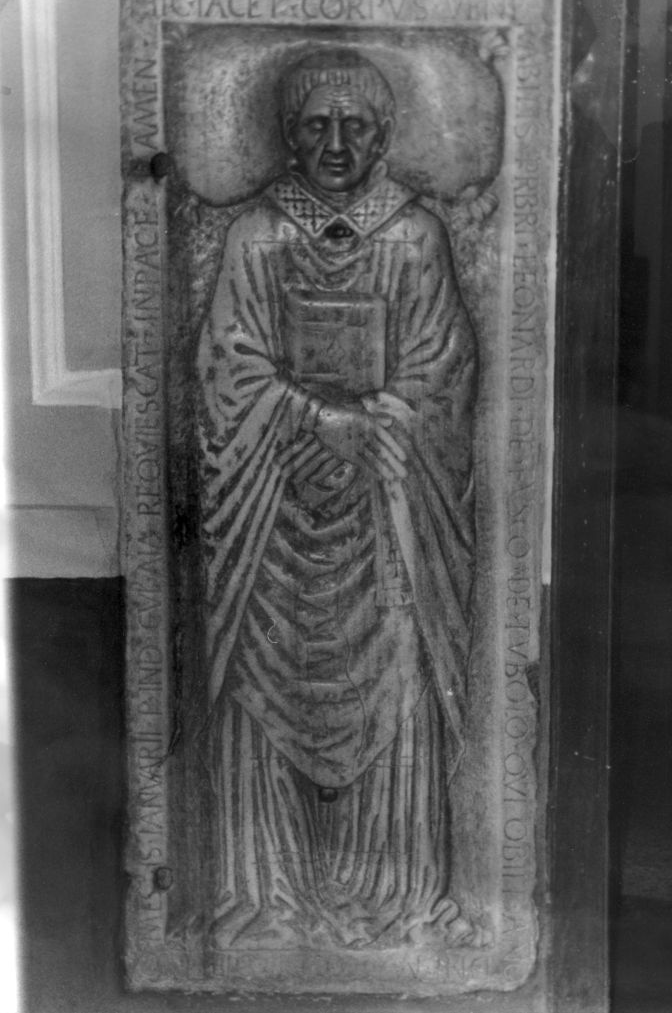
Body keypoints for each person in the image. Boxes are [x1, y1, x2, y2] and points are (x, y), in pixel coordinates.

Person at [195, 47, 478, 950]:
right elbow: (227, 368)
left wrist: (375, 431)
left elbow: (442, 371)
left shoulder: (415, 238)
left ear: (384, 134)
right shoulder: (256, 235)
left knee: (395, 681)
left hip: (384, 512)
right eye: (316, 124)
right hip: (274, 515)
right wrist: (318, 421)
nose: (336, 143)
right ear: (288, 133)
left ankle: (391, 895)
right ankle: (266, 893)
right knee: (261, 682)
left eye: (355, 125)